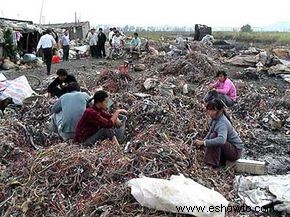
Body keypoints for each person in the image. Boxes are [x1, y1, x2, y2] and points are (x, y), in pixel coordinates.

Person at [194, 99, 244, 167]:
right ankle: (215, 161)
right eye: (209, 110)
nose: (210, 112)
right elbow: (210, 131)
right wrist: (203, 141)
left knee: (214, 136)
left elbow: (221, 140)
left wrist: (204, 143)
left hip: (235, 151)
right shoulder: (215, 119)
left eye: (213, 110)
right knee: (212, 135)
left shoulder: (222, 123)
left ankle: (212, 163)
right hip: (229, 148)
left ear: (220, 111)